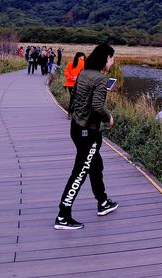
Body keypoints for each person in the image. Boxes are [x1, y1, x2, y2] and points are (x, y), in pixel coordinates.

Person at [55, 43, 118, 230]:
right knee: (80, 172)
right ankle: (63, 216)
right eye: (112, 58)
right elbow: (97, 107)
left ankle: (103, 202)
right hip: (88, 132)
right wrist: (109, 117)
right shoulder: (100, 78)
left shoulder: (83, 73)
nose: (113, 62)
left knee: (95, 165)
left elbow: (75, 96)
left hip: (76, 127)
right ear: (106, 58)